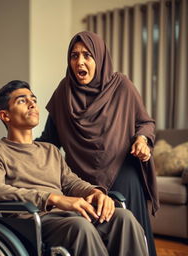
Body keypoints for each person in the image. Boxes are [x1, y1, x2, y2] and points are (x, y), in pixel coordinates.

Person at [0, 80, 148, 256]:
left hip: (66, 215)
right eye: (21, 100)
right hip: (30, 222)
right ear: (5, 116)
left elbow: (71, 183)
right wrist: (52, 198)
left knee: (123, 218)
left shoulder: (50, 150)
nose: (32, 103)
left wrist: (95, 193)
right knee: (80, 227)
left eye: (33, 99)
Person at [37, 31, 159, 256]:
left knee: (128, 234)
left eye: (87, 55)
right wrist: (16, 148)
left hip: (122, 172)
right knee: (90, 236)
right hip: (80, 180)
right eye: (74, 55)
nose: (79, 62)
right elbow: (49, 141)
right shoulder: (63, 92)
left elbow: (145, 122)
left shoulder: (121, 86)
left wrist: (142, 140)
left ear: (100, 58)